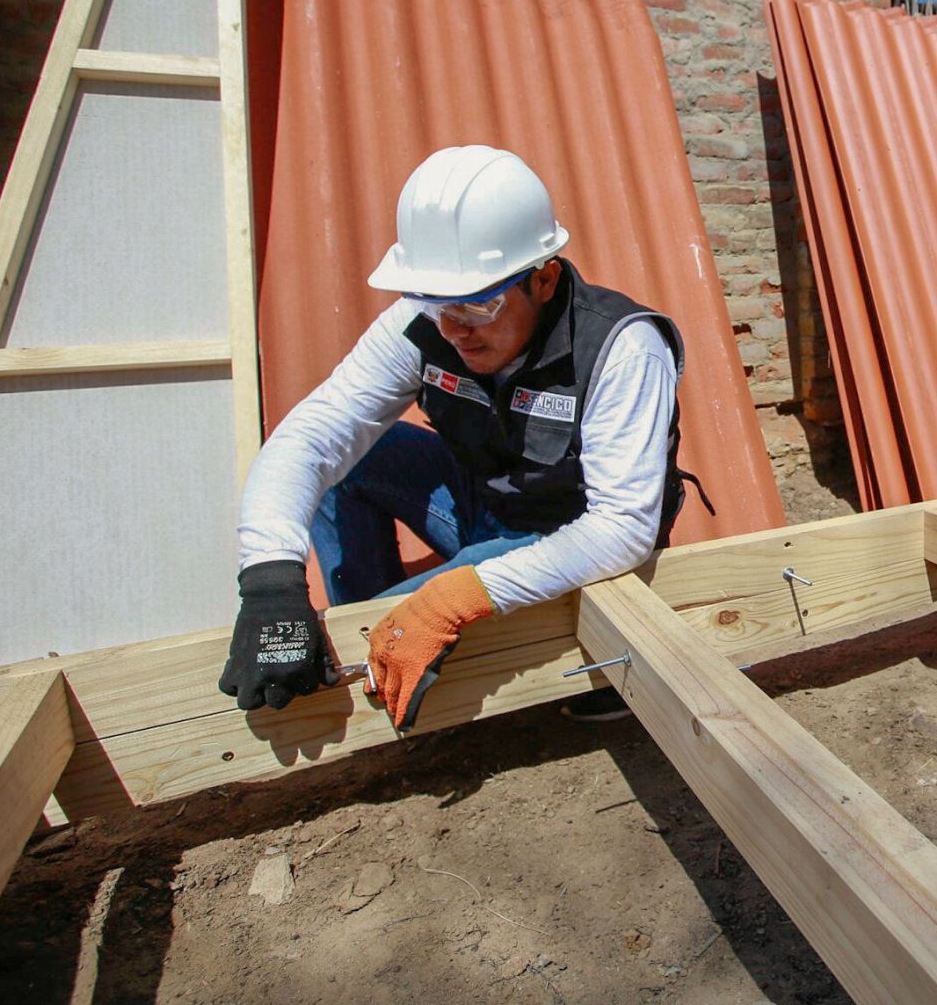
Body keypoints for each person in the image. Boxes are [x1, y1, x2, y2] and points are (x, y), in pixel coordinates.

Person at [217, 145, 686, 730]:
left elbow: (623, 529)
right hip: (484, 504)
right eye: (437, 304)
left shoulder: (621, 348)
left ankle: (393, 642)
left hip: (567, 535)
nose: (456, 327)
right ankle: (374, 638)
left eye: (479, 303)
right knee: (354, 459)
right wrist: (269, 581)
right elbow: (313, 436)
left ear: (542, 280)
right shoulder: (424, 323)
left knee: (446, 592)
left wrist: (451, 599)